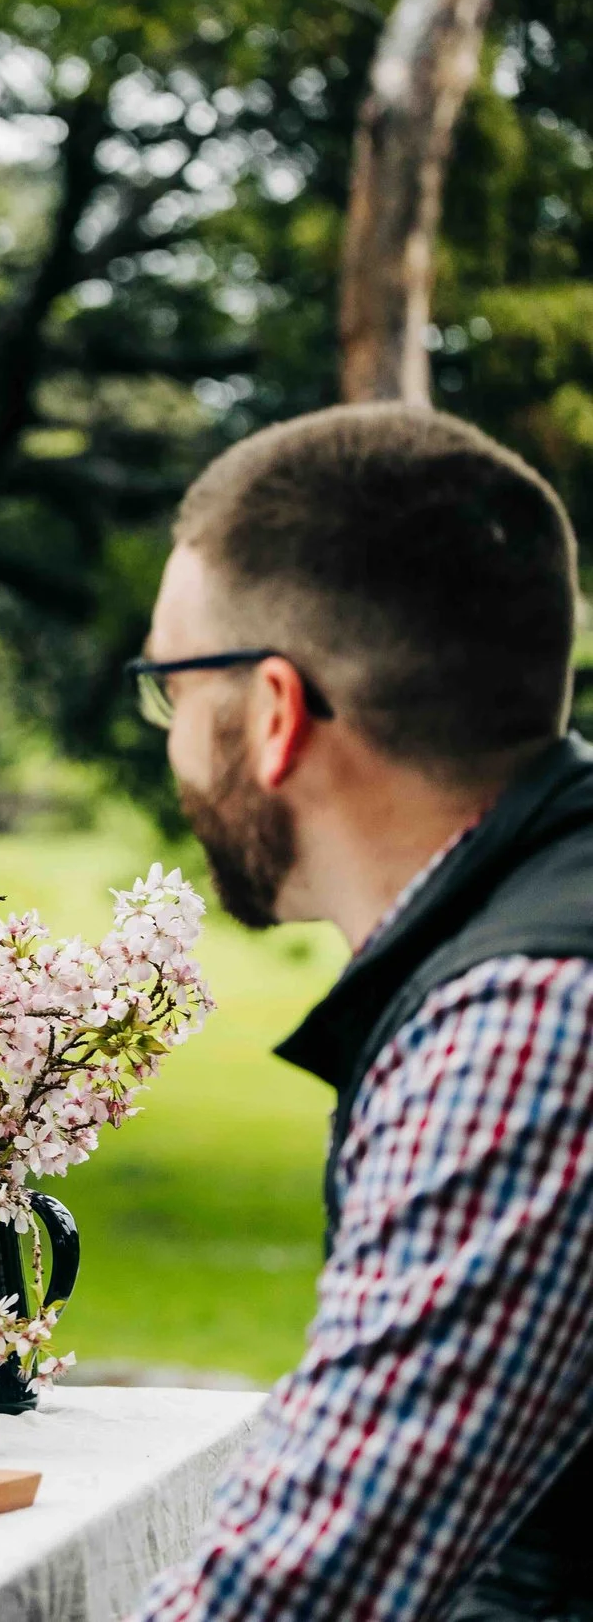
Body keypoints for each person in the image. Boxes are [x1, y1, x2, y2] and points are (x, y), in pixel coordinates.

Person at [131, 405, 593, 1620]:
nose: (171, 740)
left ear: (273, 713)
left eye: (168, 687)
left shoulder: (527, 1017)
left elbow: (303, 1585)